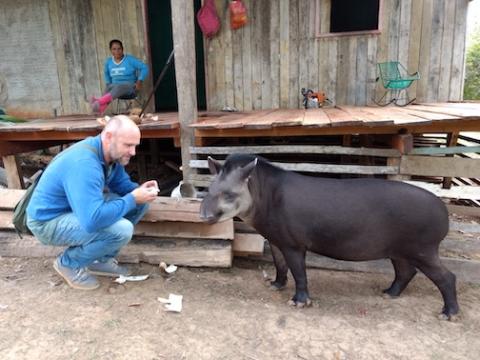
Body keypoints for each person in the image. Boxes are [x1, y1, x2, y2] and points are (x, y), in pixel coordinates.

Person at [26, 115, 159, 290]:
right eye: (128, 145)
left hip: (75, 211)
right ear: (109, 137)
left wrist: (141, 190)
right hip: (47, 222)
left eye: (135, 146)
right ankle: (68, 263)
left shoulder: (110, 155)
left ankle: (99, 260)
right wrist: (133, 198)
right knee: (122, 229)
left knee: (140, 204)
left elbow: (122, 185)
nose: (133, 152)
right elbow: (92, 220)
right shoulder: (85, 164)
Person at [90, 39, 149, 115]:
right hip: (115, 89)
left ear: (122, 49)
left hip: (131, 88)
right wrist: (108, 84)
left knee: (119, 86)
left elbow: (145, 67)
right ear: (110, 50)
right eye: (114, 49)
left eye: (119, 49)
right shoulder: (109, 62)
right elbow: (106, 73)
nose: (117, 51)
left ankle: (99, 102)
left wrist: (140, 80)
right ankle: (100, 109)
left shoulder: (130, 60)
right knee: (109, 87)